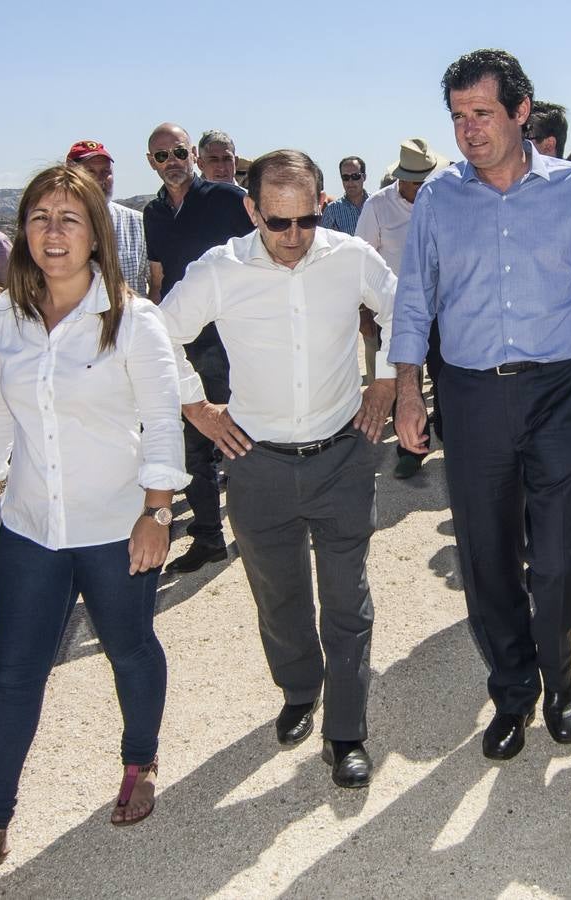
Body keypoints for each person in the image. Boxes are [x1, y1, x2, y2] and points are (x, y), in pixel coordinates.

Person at [0, 164, 188, 896]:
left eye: (69, 218)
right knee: (13, 674)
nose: (52, 231)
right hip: (34, 526)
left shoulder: (134, 319)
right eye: (39, 216)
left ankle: (139, 760)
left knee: (130, 649)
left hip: (116, 526)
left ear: (97, 233)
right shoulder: (6, 315)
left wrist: (158, 512)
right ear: (22, 231)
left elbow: (163, 423)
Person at [391, 48, 571, 761]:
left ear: (521, 112)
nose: (468, 130)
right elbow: (415, 298)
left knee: (556, 557)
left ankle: (561, 672)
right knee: (486, 557)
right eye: (458, 116)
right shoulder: (438, 198)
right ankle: (514, 690)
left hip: (558, 392)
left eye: (482, 113)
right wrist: (405, 391)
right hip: (472, 395)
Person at [160, 149, 398, 788]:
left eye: (305, 221)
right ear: (251, 210)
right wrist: (199, 410)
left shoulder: (350, 257)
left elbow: (407, 311)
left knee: (347, 600)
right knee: (279, 593)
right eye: (277, 223)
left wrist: (387, 382)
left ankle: (345, 731)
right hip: (256, 464)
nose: (293, 239)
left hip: (343, 455)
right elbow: (158, 335)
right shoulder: (221, 269)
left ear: (322, 206)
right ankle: (299, 688)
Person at [143, 122, 255, 573]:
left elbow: (261, 253)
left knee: (239, 435)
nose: (171, 161)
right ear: (150, 162)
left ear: (192, 153)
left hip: (228, 338)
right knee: (192, 440)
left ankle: (254, 530)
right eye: (160, 155)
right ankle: (209, 536)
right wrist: (151, 333)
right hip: (179, 341)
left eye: (178, 152)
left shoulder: (227, 199)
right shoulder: (153, 213)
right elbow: (157, 276)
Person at [356, 138, 450, 479]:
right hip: (394, 312)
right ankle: (408, 448)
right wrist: (365, 315)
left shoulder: (443, 201)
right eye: (418, 180)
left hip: (442, 310)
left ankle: (447, 439)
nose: (424, 185)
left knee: (445, 378)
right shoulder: (378, 206)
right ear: (404, 179)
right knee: (398, 380)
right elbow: (361, 261)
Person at [66, 140, 150, 298]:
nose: (100, 179)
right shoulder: (53, 228)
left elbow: (156, 283)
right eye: (90, 171)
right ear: (70, 174)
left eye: (106, 172)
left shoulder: (138, 223)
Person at [321, 156, 369, 235]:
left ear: (364, 177)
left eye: (355, 176)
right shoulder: (331, 211)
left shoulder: (376, 204)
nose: (350, 181)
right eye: (345, 177)